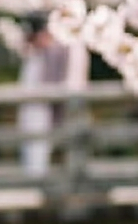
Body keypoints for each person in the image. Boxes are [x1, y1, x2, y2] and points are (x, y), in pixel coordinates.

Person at [17, 13, 90, 177]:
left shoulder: (65, 48)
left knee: (67, 147)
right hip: (41, 110)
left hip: (57, 107)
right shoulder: (40, 53)